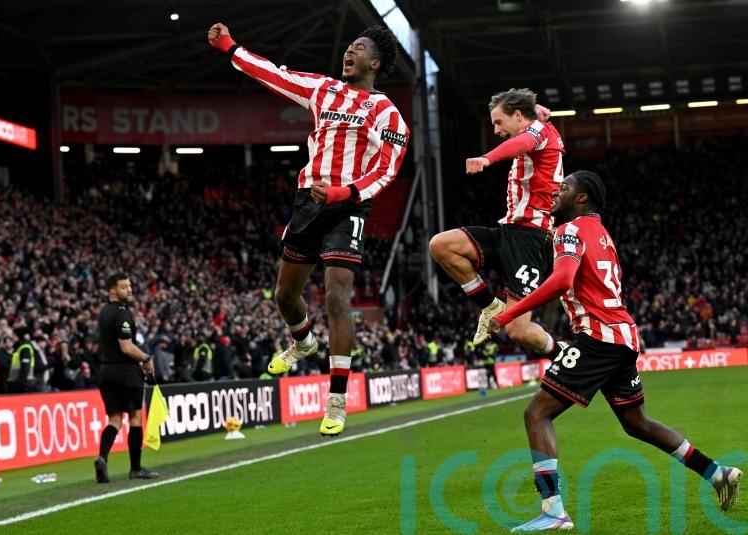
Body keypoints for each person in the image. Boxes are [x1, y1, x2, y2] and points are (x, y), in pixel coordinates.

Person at [488, 171, 742, 531]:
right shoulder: (602, 235)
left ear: (582, 198)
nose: (556, 194)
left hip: (598, 337)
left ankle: (553, 511)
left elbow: (562, 280)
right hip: (622, 336)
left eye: (564, 189)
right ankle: (717, 473)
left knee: (536, 414)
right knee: (637, 423)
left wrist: (509, 313)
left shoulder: (570, 230)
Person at [208, 22, 409, 436]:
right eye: (348, 47)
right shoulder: (323, 89)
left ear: (375, 62)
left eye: (358, 48)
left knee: (337, 296)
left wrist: (344, 193)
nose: (348, 52)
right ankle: (302, 341)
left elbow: (387, 170)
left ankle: (336, 402)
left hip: (348, 205)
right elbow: (274, 74)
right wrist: (230, 48)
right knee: (285, 295)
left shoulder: (387, 113)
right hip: (307, 203)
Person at [429, 88, 563, 358]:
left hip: (531, 239)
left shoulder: (538, 133)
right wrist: (537, 111)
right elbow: (525, 130)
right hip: (507, 230)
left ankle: (563, 356)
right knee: (441, 245)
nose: (497, 130)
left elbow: (521, 143)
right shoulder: (539, 126)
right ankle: (489, 305)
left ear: (517, 115)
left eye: (499, 122)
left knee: (518, 332)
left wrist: (486, 158)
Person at [93, 273, 158, 483]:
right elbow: (127, 347)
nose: (129, 290)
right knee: (135, 418)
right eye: (124, 287)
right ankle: (136, 468)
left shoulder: (103, 313)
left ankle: (102, 457)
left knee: (114, 420)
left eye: (129, 286)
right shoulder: (122, 313)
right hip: (126, 372)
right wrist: (146, 358)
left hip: (106, 372)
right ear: (113, 290)